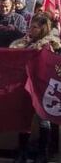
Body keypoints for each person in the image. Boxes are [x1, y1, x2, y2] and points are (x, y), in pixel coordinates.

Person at [10, 14, 61, 163]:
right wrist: (22, 46)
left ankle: (43, 153)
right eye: (30, 26)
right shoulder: (24, 43)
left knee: (43, 120)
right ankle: (22, 152)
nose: (31, 29)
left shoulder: (51, 44)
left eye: (35, 27)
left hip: (42, 86)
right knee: (24, 118)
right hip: (25, 85)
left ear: (42, 29)